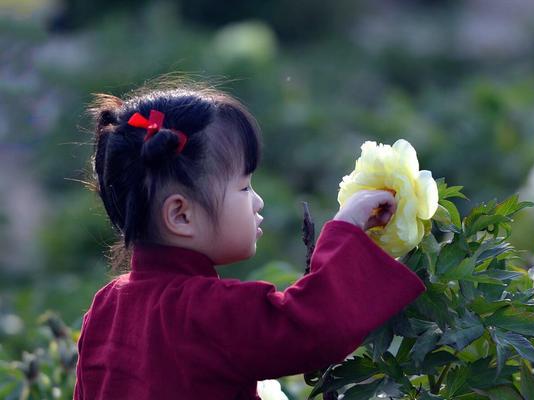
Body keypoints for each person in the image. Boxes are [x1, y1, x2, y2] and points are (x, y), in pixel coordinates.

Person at [73, 80, 427, 399]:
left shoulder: (105, 308)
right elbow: (314, 327)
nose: (257, 201)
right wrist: (347, 228)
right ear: (180, 215)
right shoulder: (209, 313)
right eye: (243, 187)